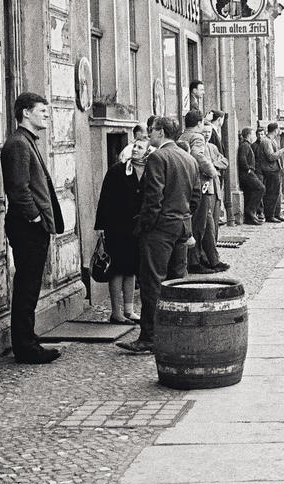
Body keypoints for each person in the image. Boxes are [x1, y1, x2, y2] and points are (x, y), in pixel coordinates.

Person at [118, 116, 200, 353]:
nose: (148, 134)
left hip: (160, 229)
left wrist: (146, 225)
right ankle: (177, 332)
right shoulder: (188, 158)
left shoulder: (157, 157)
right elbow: (194, 197)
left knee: (152, 283)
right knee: (177, 282)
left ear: (161, 132)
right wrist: (183, 217)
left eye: (152, 130)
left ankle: (150, 337)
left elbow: (154, 197)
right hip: (181, 227)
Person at [0, 92, 64, 364]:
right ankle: (25, 348)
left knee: (31, 285)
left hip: (31, 226)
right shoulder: (18, 144)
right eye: (41, 111)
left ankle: (29, 339)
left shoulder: (26, 141)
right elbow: (18, 188)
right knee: (27, 286)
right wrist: (35, 218)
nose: (46, 115)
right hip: (27, 227)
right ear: (25, 113)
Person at [94, 138, 148, 324]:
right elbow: (105, 198)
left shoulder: (150, 172)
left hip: (137, 229)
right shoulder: (118, 171)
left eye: (140, 147)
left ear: (148, 152)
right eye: (134, 146)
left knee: (132, 269)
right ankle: (116, 312)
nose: (135, 150)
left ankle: (129, 310)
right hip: (117, 227)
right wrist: (101, 226)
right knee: (116, 269)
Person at [179, 111, 225, 273]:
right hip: (202, 185)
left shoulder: (183, 136)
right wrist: (212, 171)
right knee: (200, 226)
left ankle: (210, 259)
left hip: (191, 185)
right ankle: (195, 262)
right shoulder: (197, 137)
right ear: (199, 123)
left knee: (207, 225)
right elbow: (197, 155)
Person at [256, 122, 284, 222]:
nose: (279, 131)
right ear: (275, 130)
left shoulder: (272, 140)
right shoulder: (266, 141)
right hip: (270, 171)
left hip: (275, 170)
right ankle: (270, 216)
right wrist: (282, 151)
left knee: (276, 193)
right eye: (278, 129)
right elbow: (271, 156)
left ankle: (276, 214)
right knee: (271, 193)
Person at [203, 121, 229, 242]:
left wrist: (212, 165)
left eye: (209, 132)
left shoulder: (213, 147)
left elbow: (225, 162)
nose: (207, 134)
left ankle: (214, 245)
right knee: (207, 222)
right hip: (206, 187)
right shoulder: (198, 148)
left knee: (215, 217)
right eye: (204, 132)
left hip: (216, 186)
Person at [237, 127, 265, 224]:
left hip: (248, 173)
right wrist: (248, 170)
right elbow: (242, 159)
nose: (255, 136)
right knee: (261, 188)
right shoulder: (245, 145)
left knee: (250, 193)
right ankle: (250, 212)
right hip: (247, 174)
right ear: (249, 135)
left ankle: (250, 218)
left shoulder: (247, 145)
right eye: (253, 134)